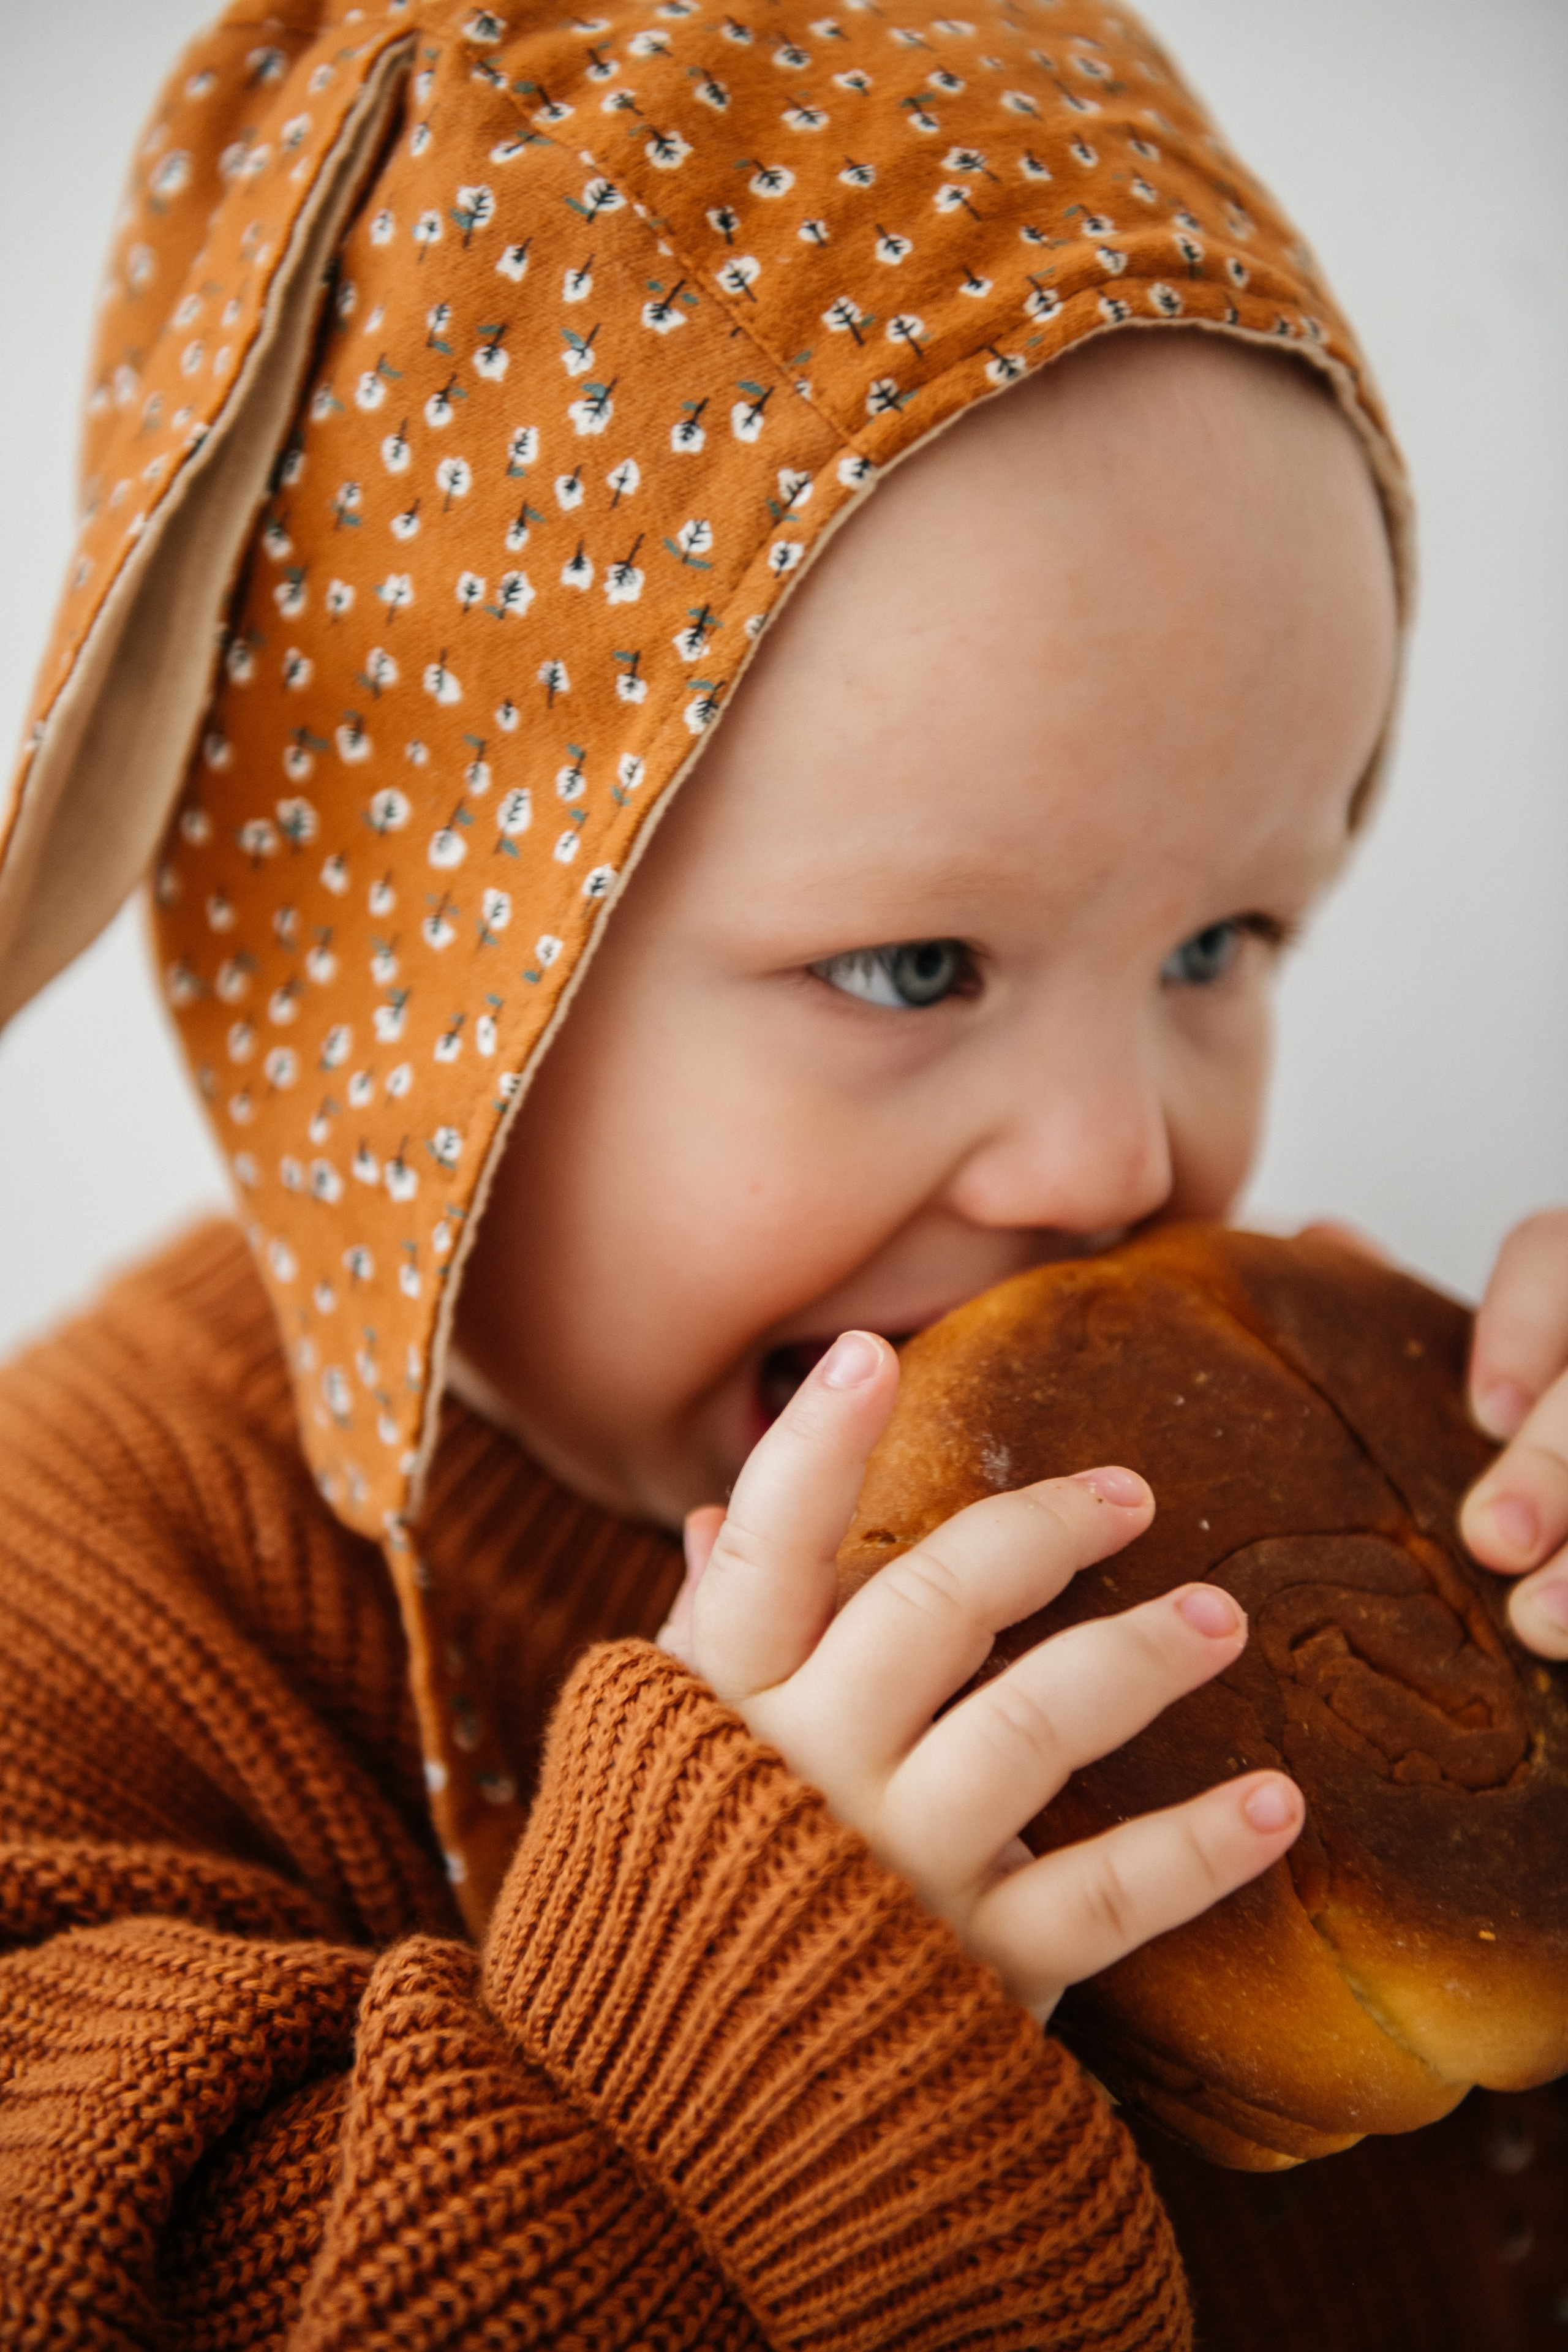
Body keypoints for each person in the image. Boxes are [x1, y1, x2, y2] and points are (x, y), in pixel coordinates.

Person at [0, 0, 1563, 2342]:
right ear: (419, 1004)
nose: (1118, 1154)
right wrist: (715, 2099)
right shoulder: (81, 1626)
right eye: (917, 962)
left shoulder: (1365, 1515)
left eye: (1222, 939)